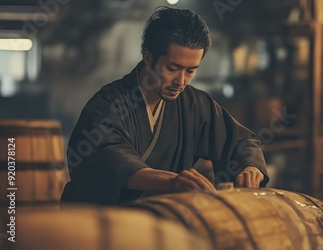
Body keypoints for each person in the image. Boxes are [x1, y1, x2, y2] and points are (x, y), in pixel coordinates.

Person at [61, 7, 269, 205]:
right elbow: (109, 160)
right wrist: (171, 182)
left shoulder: (194, 105)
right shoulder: (107, 105)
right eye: (173, 68)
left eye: (190, 70)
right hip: (97, 226)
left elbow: (242, 141)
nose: (181, 81)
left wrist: (250, 167)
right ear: (148, 57)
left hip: (160, 224)